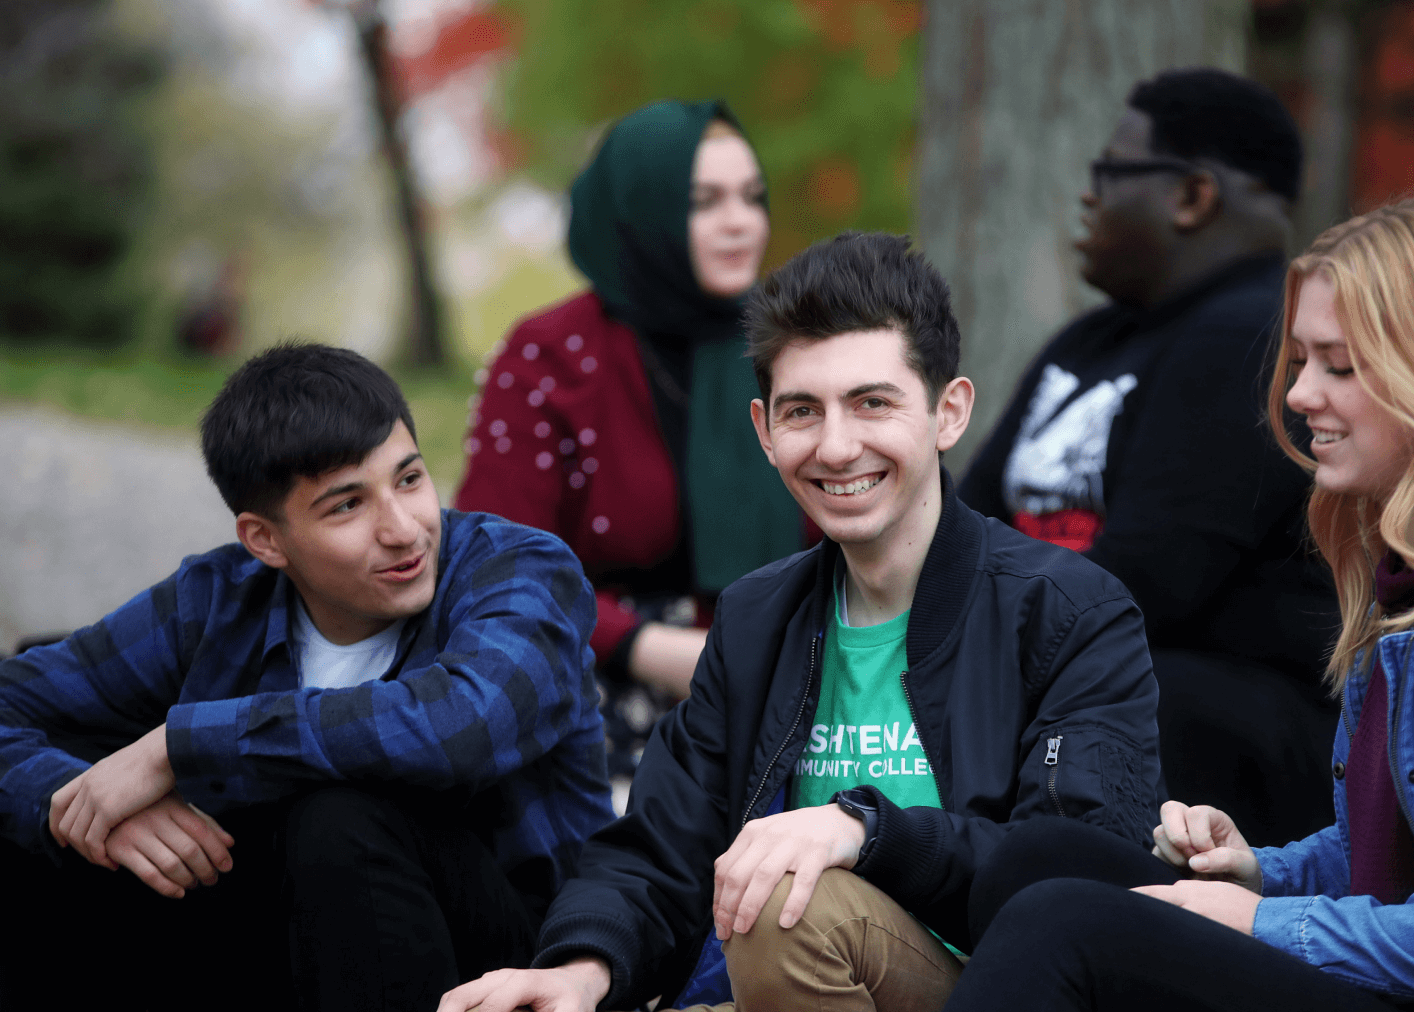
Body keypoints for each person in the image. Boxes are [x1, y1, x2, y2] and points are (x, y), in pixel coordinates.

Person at [438, 232, 1162, 1012]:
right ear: (763, 430)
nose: (836, 446)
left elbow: (1087, 870)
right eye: (802, 412)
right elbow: (661, 846)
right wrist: (580, 972)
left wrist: (867, 832)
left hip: (1005, 986)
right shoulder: (757, 618)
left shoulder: (1067, 608)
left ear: (948, 412)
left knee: (790, 900)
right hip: (784, 992)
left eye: (872, 403)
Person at [0, 343, 612, 1012]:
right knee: (27, 817)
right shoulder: (218, 599)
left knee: (341, 817)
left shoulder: (518, 570)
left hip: (509, 963)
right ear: (265, 540)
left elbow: (465, 722)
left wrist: (177, 746)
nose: (403, 530)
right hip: (290, 943)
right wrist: (78, 808)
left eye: (410, 479)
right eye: (347, 506)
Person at [942, 199, 1414, 1012]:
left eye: (1339, 365)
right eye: (1299, 360)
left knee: (1068, 926)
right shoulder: (1391, 582)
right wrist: (1259, 870)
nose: (1299, 394)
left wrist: (1262, 921)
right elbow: (1378, 856)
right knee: (1042, 859)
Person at [958, 67, 1340, 846]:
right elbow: (963, 521)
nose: (1088, 194)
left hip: (1228, 739)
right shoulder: (1090, 340)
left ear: (1192, 196)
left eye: (1111, 171)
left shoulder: (1257, 339)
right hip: (1070, 684)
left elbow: (1142, 585)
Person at [455, 100, 806, 782]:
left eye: (751, 197)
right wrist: (647, 646)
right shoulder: (550, 357)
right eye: (704, 201)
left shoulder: (797, 345)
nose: (740, 222)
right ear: (643, 208)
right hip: (596, 675)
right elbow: (495, 559)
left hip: (787, 664)